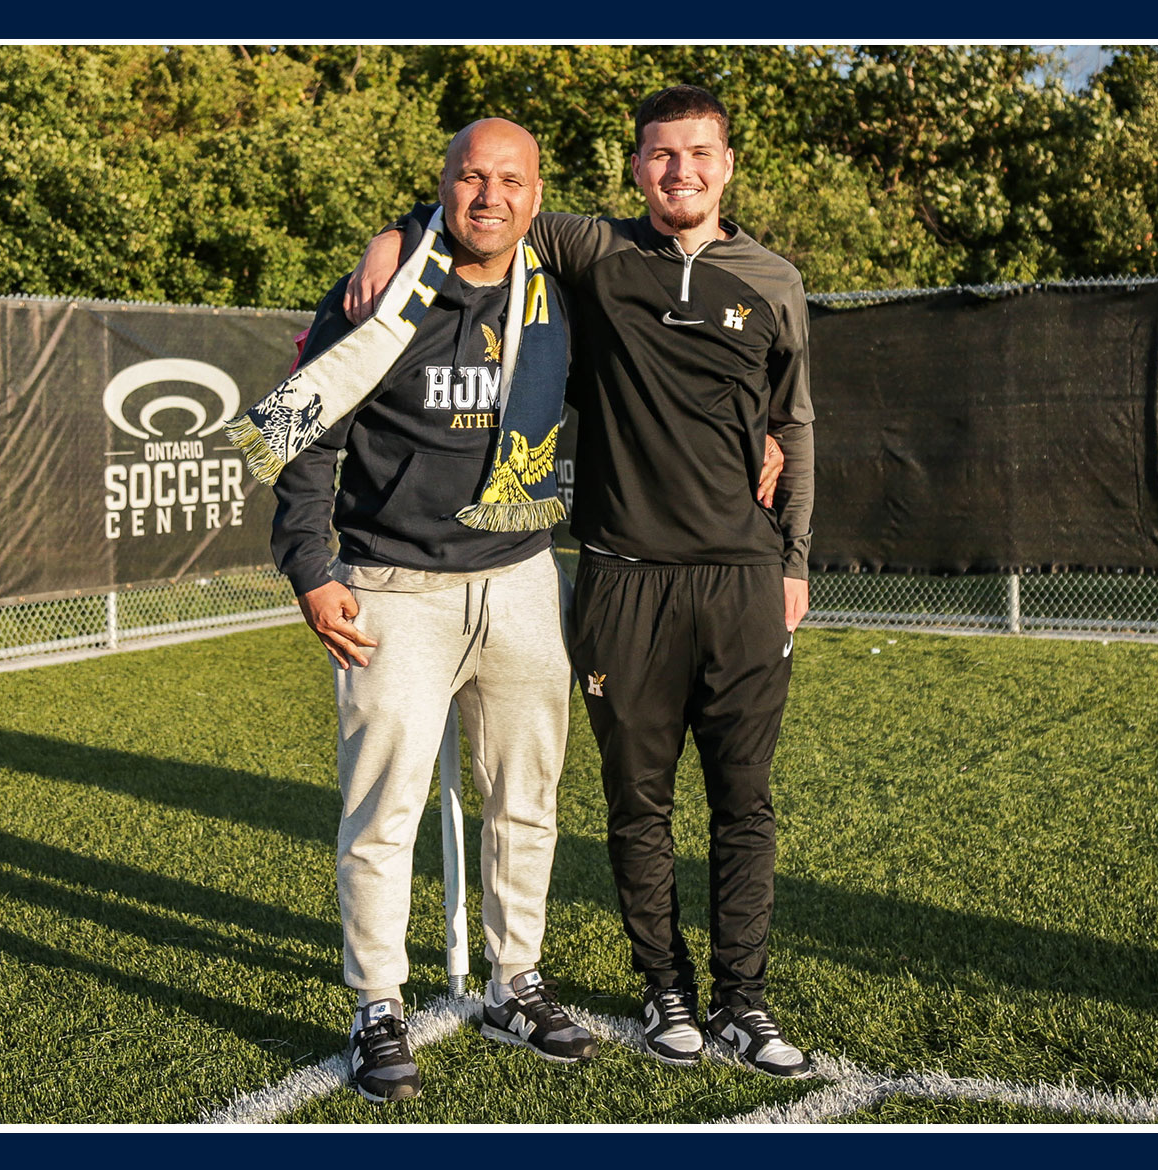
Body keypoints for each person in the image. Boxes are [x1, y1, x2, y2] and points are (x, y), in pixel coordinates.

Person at [347, 85, 818, 1079]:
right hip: (620, 578)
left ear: (725, 164)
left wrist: (794, 559)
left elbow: (797, 422)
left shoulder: (772, 279)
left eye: (697, 155)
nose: (678, 172)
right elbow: (484, 200)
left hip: (741, 579)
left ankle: (744, 1003)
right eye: (658, 156)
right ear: (633, 166)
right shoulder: (591, 252)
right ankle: (664, 996)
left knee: (743, 803)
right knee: (633, 804)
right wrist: (393, 236)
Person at [228, 118, 599, 1104]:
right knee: (380, 813)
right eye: (469, 177)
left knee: (526, 798)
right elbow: (303, 434)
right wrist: (309, 568)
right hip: (391, 587)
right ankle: (376, 1004)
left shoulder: (562, 289)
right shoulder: (380, 291)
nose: (489, 196)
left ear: (535, 194)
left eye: (510, 180)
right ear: (440, 186)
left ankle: (516, 980)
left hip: (522, 578)